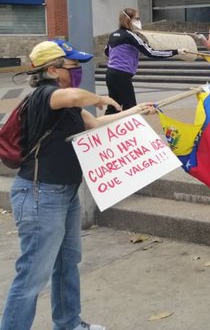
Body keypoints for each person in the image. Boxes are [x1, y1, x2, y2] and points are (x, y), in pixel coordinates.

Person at [1, 39, 157, 330]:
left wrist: (137, 111)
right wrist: (98, 98)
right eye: (72, 65)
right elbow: (73, 97)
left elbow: (95, 124)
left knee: (67, 263)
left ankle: (69, 324)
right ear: (52, 69)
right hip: (39, 194)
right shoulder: (45, 96)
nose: (77, 70)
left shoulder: (66, 103)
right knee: (33, 274)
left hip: (65, 193)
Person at [105, 8, 186, 114]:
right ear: (128, 19)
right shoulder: (131, 36)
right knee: (131, 108)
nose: (139, 21)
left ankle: (103, 128)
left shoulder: (114, 34)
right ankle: (132, 131)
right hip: (122, 75)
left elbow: (107, 51)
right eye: (137, 19)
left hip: (111, 73)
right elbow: (151, 52)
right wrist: (176, 51)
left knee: (114, 106)